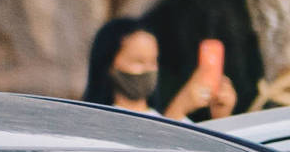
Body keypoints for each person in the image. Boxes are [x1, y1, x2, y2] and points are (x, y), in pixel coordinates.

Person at [82, 16, 236, 121]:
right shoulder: (103, 124)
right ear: (108, 65)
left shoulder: (167, 119)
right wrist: (179, 107)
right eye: (138, 61)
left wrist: (221, 117)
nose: (149, 70)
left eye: (153, 61)